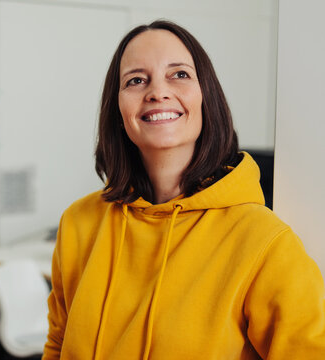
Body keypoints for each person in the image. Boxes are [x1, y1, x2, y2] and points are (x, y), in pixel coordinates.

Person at [42, 20, 325, 359]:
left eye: (179, 74)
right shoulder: (79, 223)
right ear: (118, 111)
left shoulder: (265, 242)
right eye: (136, 80)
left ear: (207, 98)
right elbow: (58, 345)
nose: (157, 92)